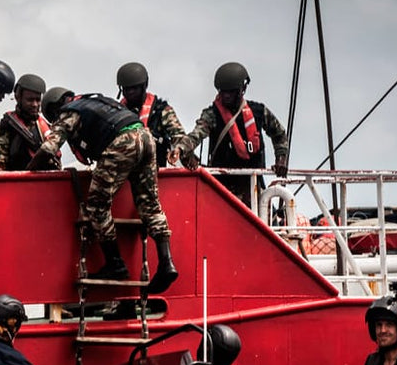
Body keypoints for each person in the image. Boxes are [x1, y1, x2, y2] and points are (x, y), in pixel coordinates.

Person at [25, 91, 179, 295]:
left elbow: (48, 148)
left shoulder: (69, 112)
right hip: (145, 137)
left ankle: (115, 264)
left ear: (54, 108)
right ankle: (166, 262)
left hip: (123, 143)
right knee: (150, 204)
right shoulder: (96, 101)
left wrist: (28, 172)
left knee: (97, 207)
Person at [173, 62, 288, 204]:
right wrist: (181, 148)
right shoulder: (212, 115)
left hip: (253, 186)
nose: (226, 96)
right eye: (223, 92)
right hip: (222, 189)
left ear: (243, 89)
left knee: (268, 219)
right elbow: (196, 134)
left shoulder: (259, 112)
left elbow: (279, 133)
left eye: (231, 92)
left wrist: (281, 159)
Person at [116, 62, 186, 168]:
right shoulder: (116, 112)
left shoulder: (161, 110)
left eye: (134, 88)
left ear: (144, 86)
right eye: (126, 89)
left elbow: (180, 137)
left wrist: (179, 149)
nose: (130, 92)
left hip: (153, 170)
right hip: (122, 170)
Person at [0, 74, 60, 171]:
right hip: (17, 180)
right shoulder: (9, 123)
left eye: (38, 100)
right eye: (30, 100)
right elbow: (1, 160)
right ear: (18, 98)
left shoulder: (43, 126)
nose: (35, 105)